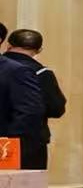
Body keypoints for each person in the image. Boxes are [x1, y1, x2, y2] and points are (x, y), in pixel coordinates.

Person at [2, 29, 66, 171]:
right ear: (39, 50)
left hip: (4, 138)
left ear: (8, 45)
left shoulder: (4, 68)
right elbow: (56, 108)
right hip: (30, 142)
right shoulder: (41, 73)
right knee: (25, 183)